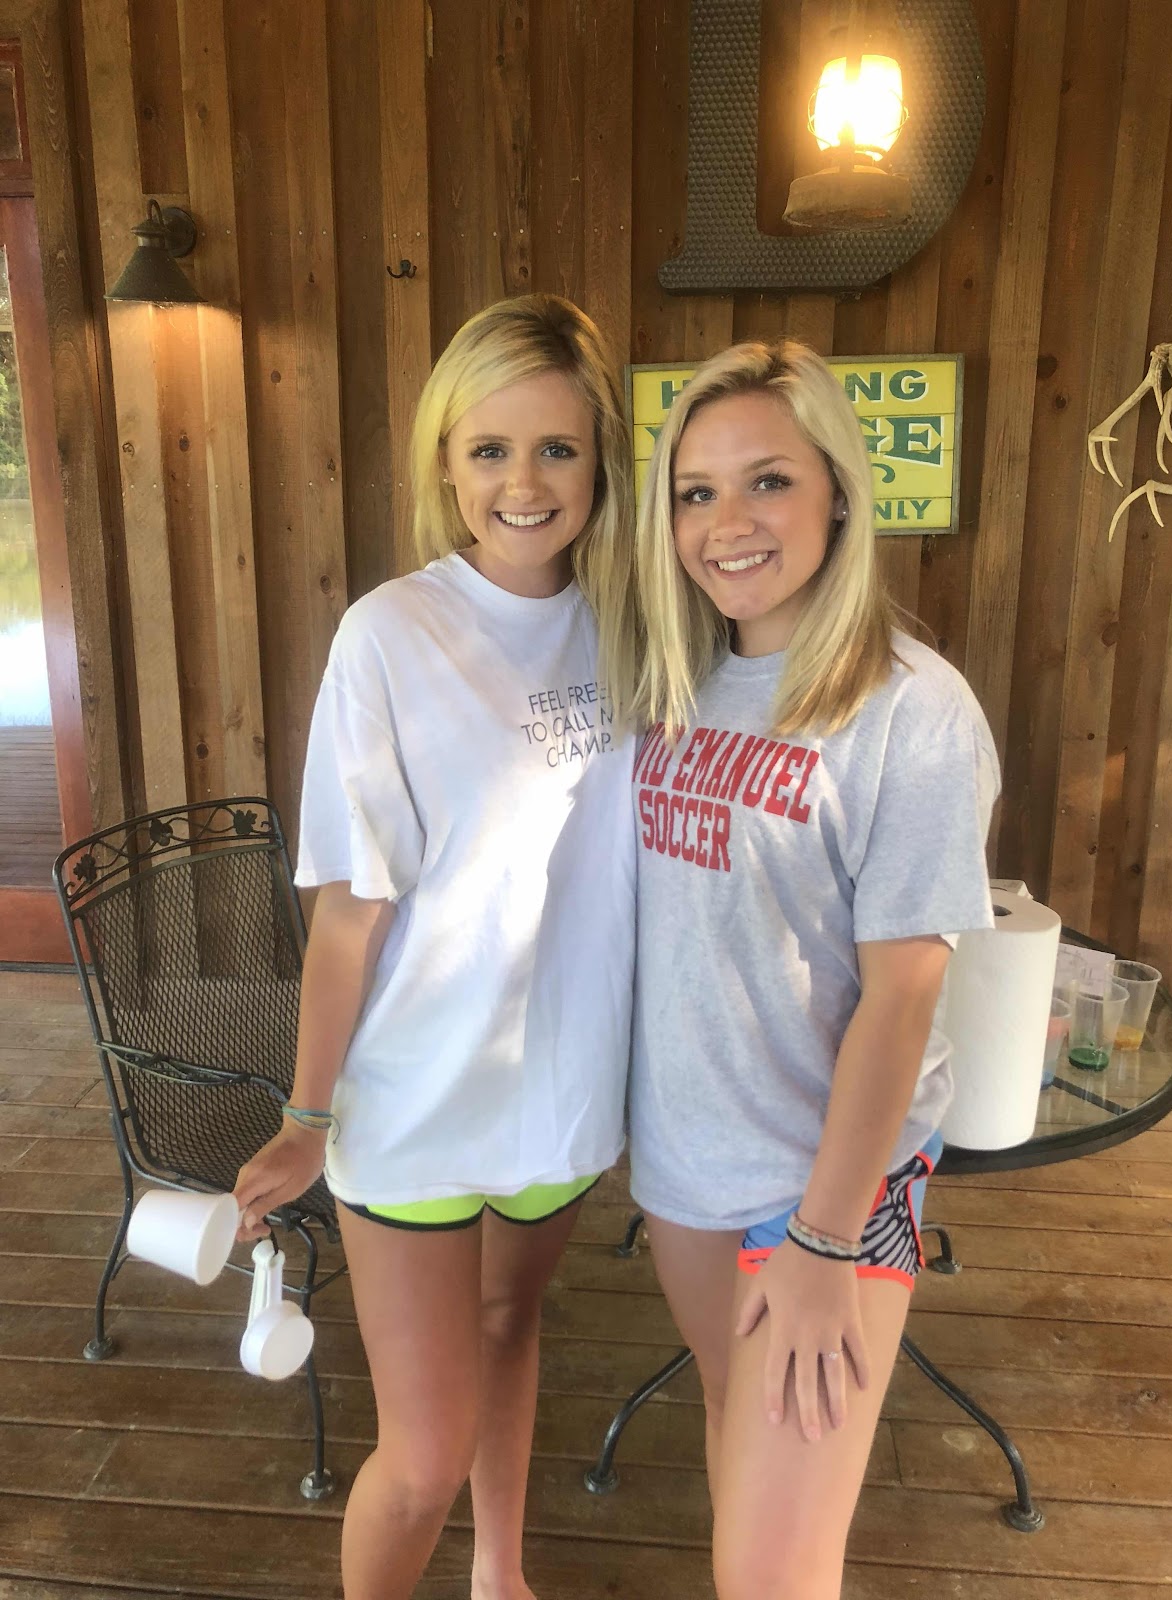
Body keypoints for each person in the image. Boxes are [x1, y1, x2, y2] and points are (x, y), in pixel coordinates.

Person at [233, 294, 640, 1600]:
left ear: (601, 460)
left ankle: (499, 1575)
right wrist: (305, 1117)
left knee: (512, 1326)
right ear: (445, 463)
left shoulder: (640, 624)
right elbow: (351, 907)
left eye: (557, 448)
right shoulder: (391, 634)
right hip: (413, 1100)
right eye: (490, 449)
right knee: (420, 1455)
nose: (524, 483)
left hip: (562, 1095)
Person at [628, 339, 1000, 1600]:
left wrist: (826, 1240)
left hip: (827, 1188)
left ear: (839, 490)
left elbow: (905, 994)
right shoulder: (677, 680)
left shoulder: (912, 709)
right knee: (732, 1444)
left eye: (768, 481)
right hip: (686, 1161)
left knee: (772, 1572)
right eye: (696, 491)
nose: (726, 523)